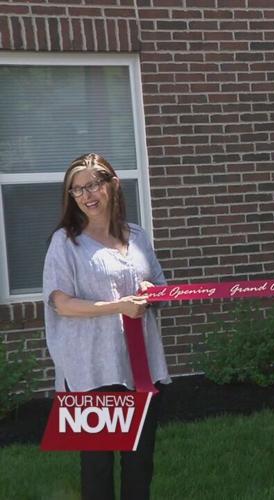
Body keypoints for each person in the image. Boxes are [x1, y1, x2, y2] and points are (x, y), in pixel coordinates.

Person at [42, 153, 169, 500]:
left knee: (140, 464)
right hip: (92, 369)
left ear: (112, 185)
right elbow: (62, 303)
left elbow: (161, 288)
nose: (86, 194)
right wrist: (120, 306)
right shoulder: (66, 243)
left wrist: (151, 294)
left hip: (141, 367)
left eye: (93, 184)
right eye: (77, 189)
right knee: (97, 468)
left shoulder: (139, 236)